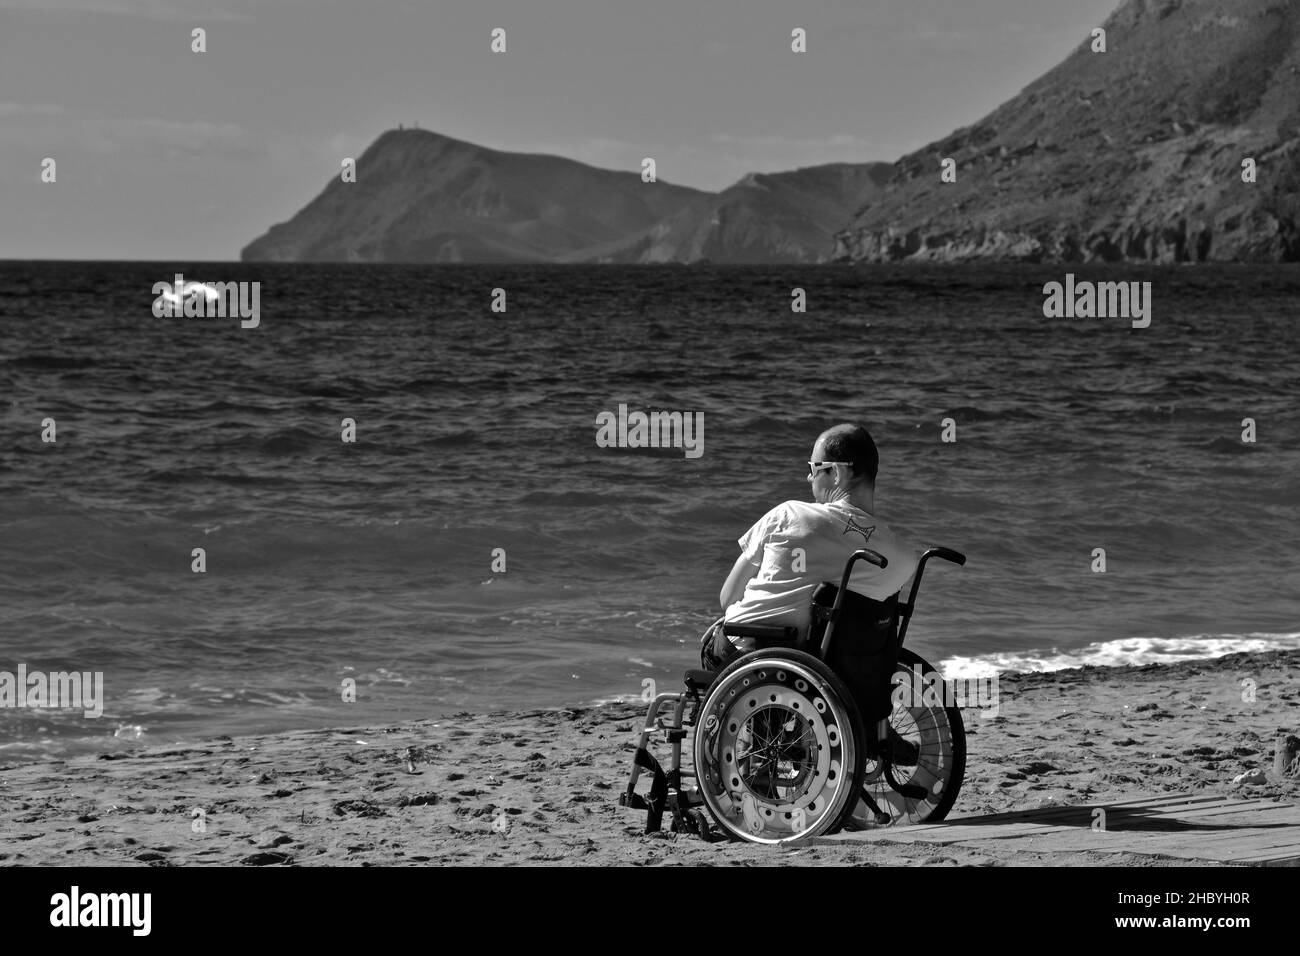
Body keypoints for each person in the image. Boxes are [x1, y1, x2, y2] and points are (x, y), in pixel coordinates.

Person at [701, 423, 918, 670]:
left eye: (813, 468)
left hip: (748, 658)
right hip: (831, 668)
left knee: (714, 642)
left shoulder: (789, 515)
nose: (808, 477)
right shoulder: (904, 558)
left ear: (836, 473)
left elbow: (727, 598)